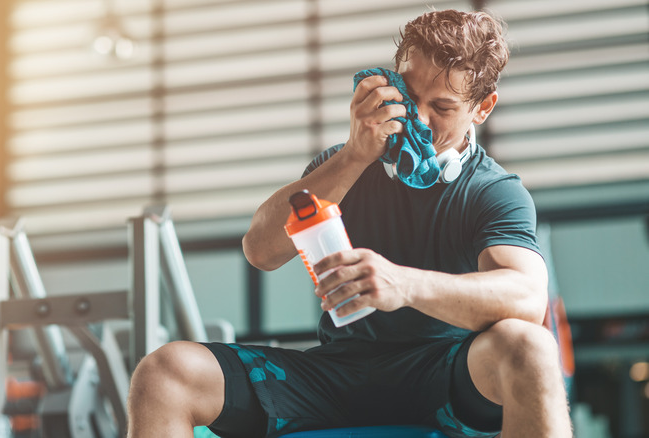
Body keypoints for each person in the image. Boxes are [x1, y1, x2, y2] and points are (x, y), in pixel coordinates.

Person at [127, 9, 572, 438]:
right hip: (336, 374)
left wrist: (404, 284)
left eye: (442, 106)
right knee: (165, 373)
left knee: (530, 347)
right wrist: (356, 155)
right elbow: (260, 250)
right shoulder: (343, 167)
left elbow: (527, 296)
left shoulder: (492, 190)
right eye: (409, 97)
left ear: (483, 108)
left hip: (446, 375)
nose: (418, 118)